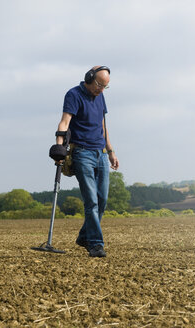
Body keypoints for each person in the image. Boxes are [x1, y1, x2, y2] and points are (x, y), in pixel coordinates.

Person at [53, 65, 119, 257]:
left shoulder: (101, 97)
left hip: (101, 153)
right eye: (99, 85)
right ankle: (96, 244)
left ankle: (84, 237)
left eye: (105, 87)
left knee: (102, 199)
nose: (101, 90)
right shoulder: (73, 95)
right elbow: (64, 122)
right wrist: (59, 148)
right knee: (91, 201)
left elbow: (103, 125)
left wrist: (111, 151)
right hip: (82, 153)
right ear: (89, 78)